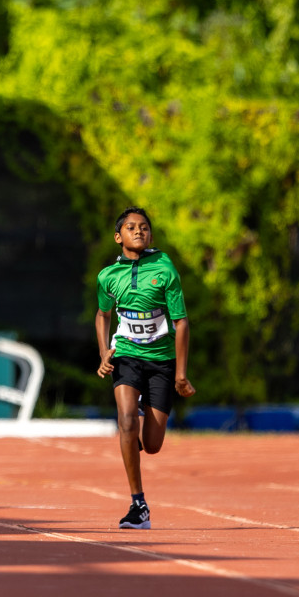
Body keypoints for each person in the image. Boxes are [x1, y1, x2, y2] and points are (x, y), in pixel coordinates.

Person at [94, 206, 195, 530]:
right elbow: (103, 315)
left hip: (162, 362)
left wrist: (180, 374)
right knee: (126, 421)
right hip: (126, 355)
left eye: (145, 228)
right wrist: (103, 354)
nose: (139, 231)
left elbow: (181, 323)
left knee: (151, 444)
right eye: (132, 227)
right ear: (118, 236)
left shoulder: (165, 269)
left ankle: (132, 445)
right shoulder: (108, 276)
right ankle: (138, 504)